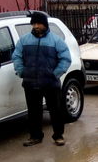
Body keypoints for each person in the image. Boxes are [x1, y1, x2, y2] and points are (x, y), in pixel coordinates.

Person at [13, 11, 71, 147]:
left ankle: (58, 136)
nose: (36, 26)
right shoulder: (24, 40)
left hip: (50, 82)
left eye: (39, 23)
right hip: (30, 82)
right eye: (34, 23)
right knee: (33, 111)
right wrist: (21, 71)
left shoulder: (56, 41)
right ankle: (35, 136)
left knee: (55, 110)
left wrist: (55, 74)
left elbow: (65, 59)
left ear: (45, 24)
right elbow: (16, 56)